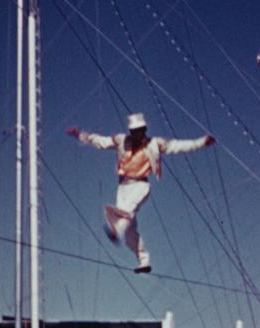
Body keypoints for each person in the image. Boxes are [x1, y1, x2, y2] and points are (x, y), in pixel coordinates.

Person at [66, 112, 215, 273]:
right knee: (130, 231)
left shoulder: (155, 144)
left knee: (126, 213)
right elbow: (99, 141)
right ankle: (143, 261)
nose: (138, 134)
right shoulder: (121, 141)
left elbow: (178, 146)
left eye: (141, 131)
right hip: (123, 187)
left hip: (141, 185)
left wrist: (202, 142)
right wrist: (80, 134)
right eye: (134, 131)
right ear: (131, 132)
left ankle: (115, 231)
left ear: (144, 130)